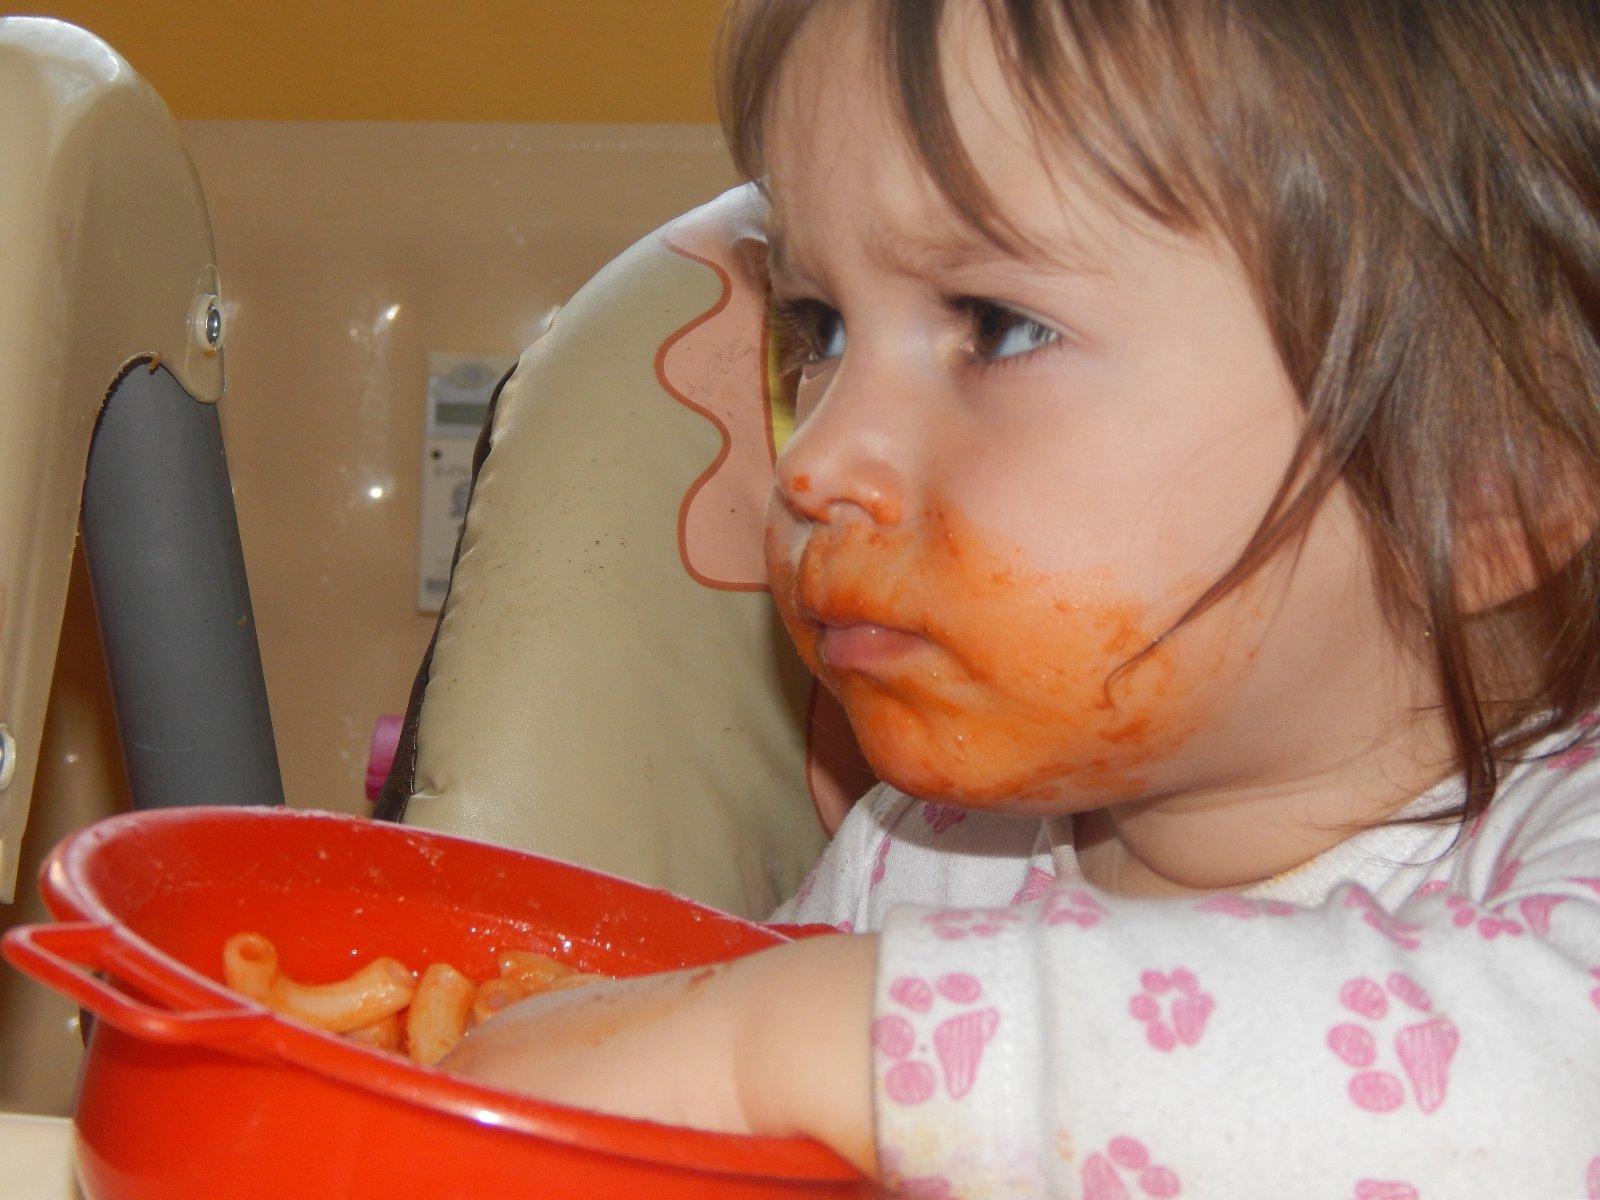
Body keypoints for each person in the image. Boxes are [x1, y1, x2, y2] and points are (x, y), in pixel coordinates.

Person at [443, 1, 1600, 1194]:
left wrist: (778, 1043)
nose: (811, 461)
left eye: (998, 328)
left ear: (1493, 476)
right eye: (818, 328)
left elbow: (1548, 1100)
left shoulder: (1561, 865)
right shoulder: (919, 856)